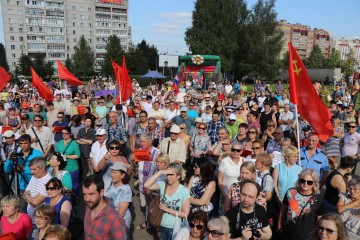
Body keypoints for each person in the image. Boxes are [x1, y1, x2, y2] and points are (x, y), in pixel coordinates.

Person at [144, 163, 190, 240]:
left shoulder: (184, 191)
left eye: (171, 175)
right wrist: (160, 172)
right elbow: (146, 185)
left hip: (176, 228)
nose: (168, 177)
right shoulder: (162, 185)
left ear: (178, 176)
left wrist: (167, 209)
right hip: (161, 226)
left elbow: (185, 214)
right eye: (167, 174)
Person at [278, 169, 325, 240]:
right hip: (287, 234)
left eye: (309, 182)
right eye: (303, 181)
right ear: (299, 181)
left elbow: (320, 221)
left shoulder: (319, 199)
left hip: (306, 237)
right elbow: (283, 210)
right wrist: (279, 227)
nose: (305, 184)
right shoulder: (290, 192)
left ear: (314, 184)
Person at [83, 175, 127, 239]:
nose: (87, 199)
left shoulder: (114, 218)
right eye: (84, 194)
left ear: (101, 192)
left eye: (91, 194)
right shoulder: (89, 206)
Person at [105, 162, 132, 232]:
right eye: (112, 172)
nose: (112, 175)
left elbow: (121, 213)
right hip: (109, 217)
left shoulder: (126, 190)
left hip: (120, 221)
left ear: (122, 175)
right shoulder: (111, 183)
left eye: (115, 173)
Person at [55, 127, 80, 195]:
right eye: (62, 133)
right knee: (63, 184)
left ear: (70, 134)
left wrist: (67, 156)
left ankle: (75, 197)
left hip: (72, 168)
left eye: (66, 133)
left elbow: (78, 155)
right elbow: (56, 153)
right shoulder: (60, 142)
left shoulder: (74, 143)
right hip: (62, 168)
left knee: (74, 185)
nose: (64, 135)